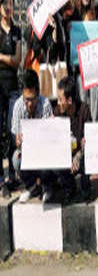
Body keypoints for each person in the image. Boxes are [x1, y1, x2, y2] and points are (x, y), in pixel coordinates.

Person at [11, 69, 54, 203]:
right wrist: (18, 141)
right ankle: (31, 186)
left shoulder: (45, 104)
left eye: (32, 99)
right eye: (26, 99)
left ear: (38, 93)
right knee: (16, 159)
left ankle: (47, 185)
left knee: (49, 160)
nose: (29, 104)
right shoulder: (18, 106)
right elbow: (15, 135)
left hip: (44, 150)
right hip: (27, 150)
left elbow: (50, 138)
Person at [54, 76, 91, 202]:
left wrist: (79, 155)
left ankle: (86, 189)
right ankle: (69, 188)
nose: (58, 103)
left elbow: (89, 140)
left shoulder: (84, 110)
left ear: (70, 100)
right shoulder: (57, 113)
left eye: (60, 99)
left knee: (88, 158)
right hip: (65, 155)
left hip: (80, 155)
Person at [0, 0, 21, 195]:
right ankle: (1, 178)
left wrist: (1, 57)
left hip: (12, 86)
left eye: (11, 3)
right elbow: (12, 58)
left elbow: (17, 61)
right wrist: (8, 58)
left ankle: (13, 176)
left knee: (12, 130)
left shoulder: (16, 31)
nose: (8, 7)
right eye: (5, 3)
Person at [71, 0, 98, 121]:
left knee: (94, 104)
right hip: (79, 69)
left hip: (94, 68)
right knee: (82, 103)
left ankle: (93, 129)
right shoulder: (73, 15)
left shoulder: (95, 13)